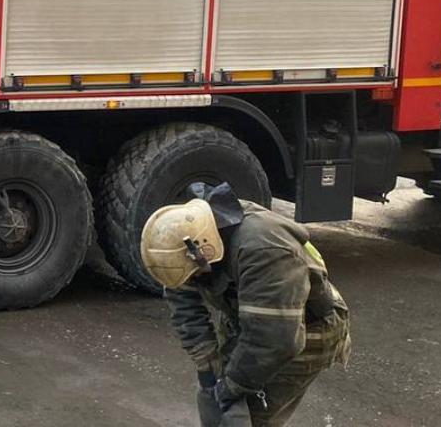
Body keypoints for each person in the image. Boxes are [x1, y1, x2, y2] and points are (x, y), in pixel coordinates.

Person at [142, 182, 352, 427]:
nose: (193, 281)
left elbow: (276, 339)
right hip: (250, 316)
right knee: (216, 403)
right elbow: (184, 300)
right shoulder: (183, 239)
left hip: (306, 326)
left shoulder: (264, 247)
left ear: (205, 250)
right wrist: (207, 363)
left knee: (247, 416)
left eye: (195, 275)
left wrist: (232, 386)